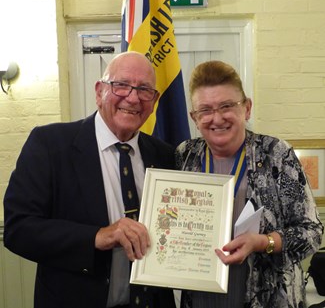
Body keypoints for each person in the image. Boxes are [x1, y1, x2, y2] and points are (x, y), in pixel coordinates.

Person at [3, 51, 177, 308]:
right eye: (121, 85)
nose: (133, 97)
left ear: (154, 101)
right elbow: (18, 229)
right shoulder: (50, 145)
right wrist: (98, 236)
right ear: (99, 91)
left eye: (144, 89)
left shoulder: (166, 155)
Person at [176, 60, 324, 308]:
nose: (217, 118)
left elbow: (311, 233)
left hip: (268, 299)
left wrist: (263, 242)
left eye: (226, 106)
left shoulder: (277, 154)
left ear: (246, 108)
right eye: (205, 110)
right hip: (203, 297)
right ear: (194, 117)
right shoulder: (185, 155)